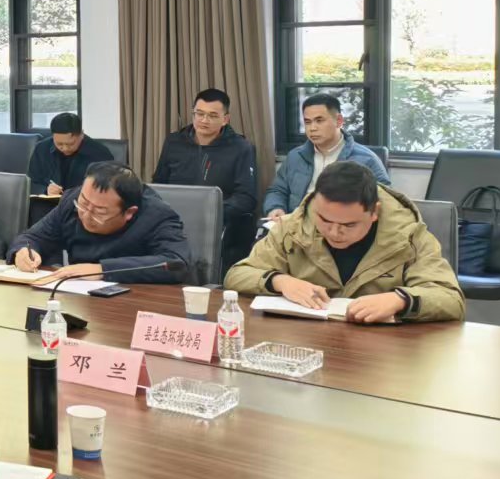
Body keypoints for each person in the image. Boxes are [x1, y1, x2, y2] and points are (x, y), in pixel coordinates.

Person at [227, 162, 464, 323]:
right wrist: (280, 281)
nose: (334, 232)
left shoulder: (408, 236)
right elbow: (237, 275)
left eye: (348, 225)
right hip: (307, 343)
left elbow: (450, 299)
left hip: (383, 354)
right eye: (324, 219)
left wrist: (400, 300)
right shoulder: (293, 226)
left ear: (374, 212)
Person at [8, 162, 191, 283]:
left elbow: (176, 263)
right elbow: (33, 237)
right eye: (83, 203)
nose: (86, 215)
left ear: (129, 212)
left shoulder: (157, 215)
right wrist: (23, 251)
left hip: (136, 303)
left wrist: (102, 270)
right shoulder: (73, 201)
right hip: (80, 298)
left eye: (99, 212)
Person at [151, 88, 259, 267]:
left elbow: (246, 198)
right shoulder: (174, 141)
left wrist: (210, 211)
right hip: (174, 220)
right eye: (199, 114)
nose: (204, 120)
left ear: (225, 119)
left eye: (212, 115)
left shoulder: (241, 148)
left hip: (218, 223)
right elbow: (159, 185)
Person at [261, 93, 391, 221]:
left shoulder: (366, 159)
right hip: (296, 224)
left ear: (339, 121)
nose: (312, 128)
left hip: (339, 226)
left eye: (319, 121)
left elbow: (384, 200)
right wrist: (275, 207)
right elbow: (278, 190)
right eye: (307, 122)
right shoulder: (295, 156)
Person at [26, 112, 115, 196]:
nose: (65, 148)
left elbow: (106, 188)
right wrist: (46, 190)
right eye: (59, 144)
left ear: (81, 135)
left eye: (70, 144)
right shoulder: (42, 149)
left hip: (82, 203)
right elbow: (32, 183)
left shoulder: (99, 153)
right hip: (48, 202)